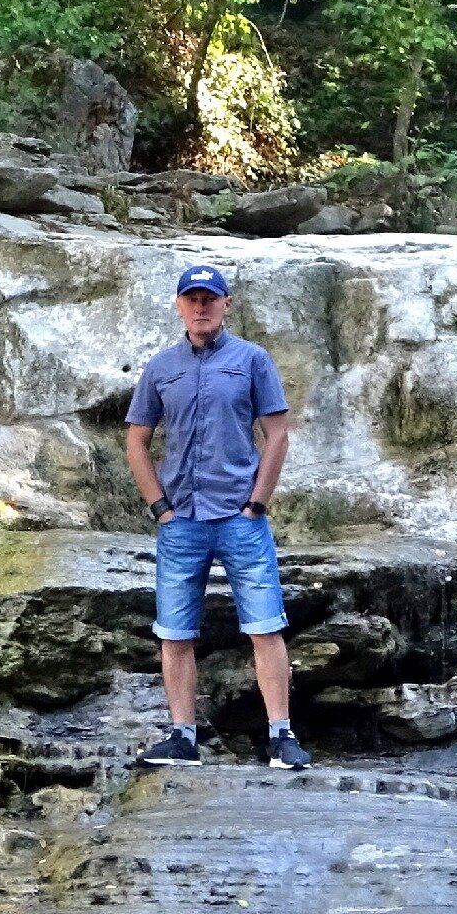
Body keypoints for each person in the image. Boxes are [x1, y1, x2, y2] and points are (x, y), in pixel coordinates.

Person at [124, 263, 309, 770]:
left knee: (265, 625)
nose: (201, 307)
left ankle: (281, 736)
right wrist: (158, 507)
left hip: (239, 519)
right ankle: (182, 737)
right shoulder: (162, 367)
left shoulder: (252, 360)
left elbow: (277, 434)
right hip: (180, 520)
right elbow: (137, 441)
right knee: (175, 630)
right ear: (180, 306)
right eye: (192, 299)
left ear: (227, 303)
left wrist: (258, 503)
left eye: (210, 298)